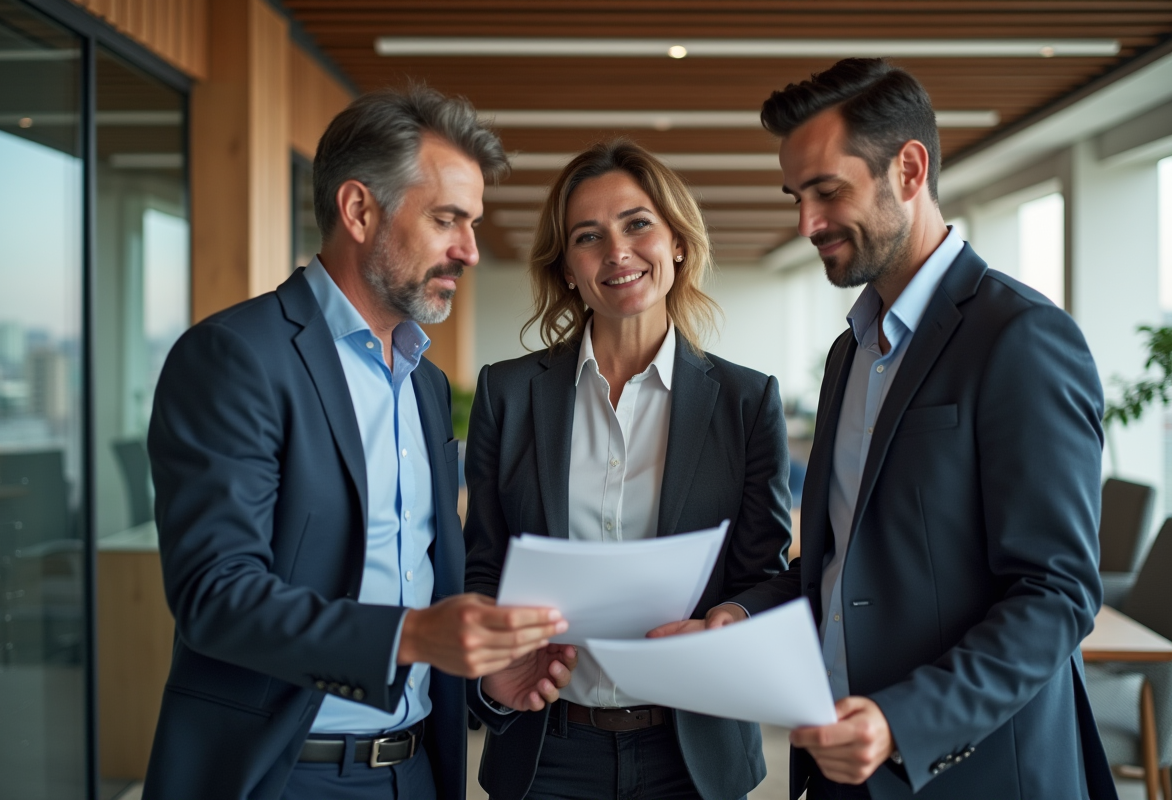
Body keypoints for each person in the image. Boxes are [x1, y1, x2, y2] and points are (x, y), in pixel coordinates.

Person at [650, 59, 1117, 800]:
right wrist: (734, 619)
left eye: (828, 191)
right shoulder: (852, 352)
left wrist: (902, 721)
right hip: (841, 768)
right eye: (797, 197)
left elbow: (1054, 594)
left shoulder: (1022, 337)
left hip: (977, 771)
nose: (806, 223)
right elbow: (841, 575)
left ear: (909, 168)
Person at [143, 86, 576, 800]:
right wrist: (410, 637)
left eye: (471, 224)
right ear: (358, 209)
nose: (469, 249)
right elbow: (214, 595)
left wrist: (476, 671)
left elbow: (418, 575)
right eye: (447, 220)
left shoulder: (428, 385)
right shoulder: (234, 357)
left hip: (417, 772)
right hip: (282, 774)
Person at [462, 140, 795, 800]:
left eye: (637, 224)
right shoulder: (507, 395)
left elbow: (767, 573)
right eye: (589, 237)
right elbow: (482, 565)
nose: (616, 252)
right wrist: (490, 681)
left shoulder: (746, 401)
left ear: (676, 241)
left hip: (692, 752)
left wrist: (725, 620)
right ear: (566, 269)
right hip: (545, 751)